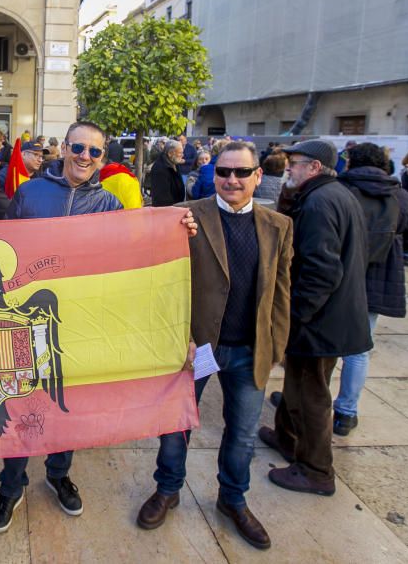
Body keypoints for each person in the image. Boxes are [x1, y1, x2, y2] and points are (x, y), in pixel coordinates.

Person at [0, 120, 199, 533]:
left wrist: (178, 230)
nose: (85, 157)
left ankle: (58, 473)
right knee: (19, 405)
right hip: (25, 321)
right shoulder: (30, 193)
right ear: (64, 148)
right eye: (78, 148)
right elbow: (3, 244)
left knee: (68, 404)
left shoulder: (108, 206)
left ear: (103, 157)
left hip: (80, 325)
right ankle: (10, 487)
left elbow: (139, 252)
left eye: (94, 152)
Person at [139, 141, 292, 550]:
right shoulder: (187, 216)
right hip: (199, 349)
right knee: (177, 426)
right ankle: (167, 489)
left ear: (258, 176)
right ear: (214, 174)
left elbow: (280, 291)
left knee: (241, 435)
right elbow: (164, 283)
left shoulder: (278, 225)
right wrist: (177, 337)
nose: (232, 180)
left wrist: (276, 346)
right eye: (224, 172)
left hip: (249, 351)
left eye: (242, 172)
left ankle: (233, 500)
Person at [258, 139, 369, 496]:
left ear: (315, 167)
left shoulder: (321, 202)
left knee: (311, 395)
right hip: (329, 318)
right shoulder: (332, 194)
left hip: (320, 322)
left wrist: (293, 317)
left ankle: (316, 470)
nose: (288, 167)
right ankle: (286, 439)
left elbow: (321, 272)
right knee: (297, 385)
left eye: (295, 162)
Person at [333, 143, 408, 436]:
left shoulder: (340, 192)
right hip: (378, 279)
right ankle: (346, 411)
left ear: (351, 161)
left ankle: (317, 401)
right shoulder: (401, 196)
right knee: (361, 347)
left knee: (326, 343)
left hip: (341, 278)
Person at [149, 139, 186, 206]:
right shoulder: (160, 169)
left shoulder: (173, 162)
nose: (182, 155)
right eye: (180, 153)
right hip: (167, 211)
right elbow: (162, 199)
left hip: (176, 207)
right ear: (170, 153)